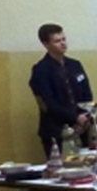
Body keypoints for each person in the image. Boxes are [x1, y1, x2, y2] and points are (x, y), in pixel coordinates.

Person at [29, 23, 93, 156]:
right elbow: (48, 103)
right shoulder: (41, 70)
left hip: (82, 127)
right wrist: (74, 118)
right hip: (56, 130)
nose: (63, 43)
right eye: (57, 41)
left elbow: (86, 94)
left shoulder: (75, 65)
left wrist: (84, 116)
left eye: (64, 39)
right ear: (46, 44)